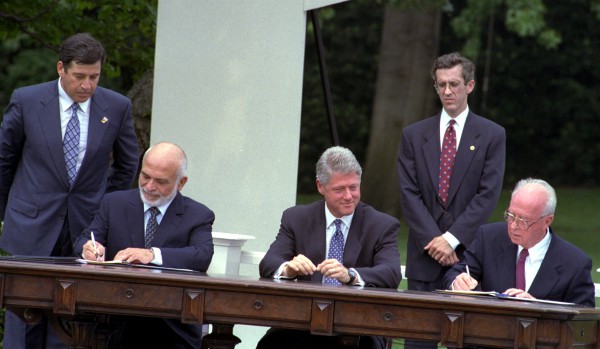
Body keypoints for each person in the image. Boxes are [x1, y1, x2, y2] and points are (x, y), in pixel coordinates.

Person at [0, 32, 139, 348]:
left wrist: (103, 210)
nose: (87, 85)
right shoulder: (27, 100)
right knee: (23, 323)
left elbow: (127, 165)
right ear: (60, 68)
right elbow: (4, 159)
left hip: (85, 229)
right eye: (79, 76)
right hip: (29, 226)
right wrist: (7, 211)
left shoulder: (117, 106)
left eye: (94, 76)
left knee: (70, 321)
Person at [397, 52, 505, 348]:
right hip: (424, 257)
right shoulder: (413, 135)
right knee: (418, 342)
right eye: (441, 84)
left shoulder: (493, 135)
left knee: (471, 341)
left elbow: (488, 195)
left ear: (469, 85)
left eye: (454, 84)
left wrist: (453, 239)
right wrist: (435, 241)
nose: (447, 91)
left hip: (469, 257)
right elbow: (408, 193)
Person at [74, 142, 215, 348]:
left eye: (160, 181)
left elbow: (202, 255)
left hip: (170, 327)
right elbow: (85, 238)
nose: (149, 186)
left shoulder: (197, 214)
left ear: (181, 182)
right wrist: (88, 248)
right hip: (113, 322)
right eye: (145, 176)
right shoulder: (114, 203)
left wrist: (153, 255)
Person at [258, 146, 401, 349]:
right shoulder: (296, 218)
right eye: (339, 189)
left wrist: (350, 275)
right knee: (271, 344)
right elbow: (269, 263)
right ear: (320, 186)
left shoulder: (381, 225)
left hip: (359, 326)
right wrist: (287, 269)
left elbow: (391, 273)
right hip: (302, 323)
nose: (349, 196)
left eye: (354, 187)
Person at [443, 178, 595, 307]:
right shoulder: (489, 238)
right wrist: (457, 282)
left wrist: (538, 307)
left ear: (547, 221)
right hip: (490, 336)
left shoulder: (575, 263)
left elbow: (583, 321)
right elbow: (456, 272)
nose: (514, 225)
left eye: (523, 221)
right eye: (510, 215)